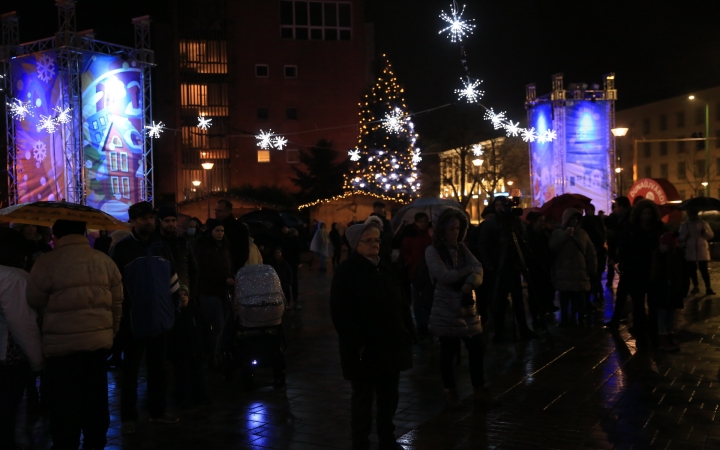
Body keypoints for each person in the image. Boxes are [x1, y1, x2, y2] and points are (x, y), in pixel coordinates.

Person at [27, 220, 123, 450]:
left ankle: (66, 443)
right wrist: (111, 332)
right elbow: (117, 302)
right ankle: (95, 442)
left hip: (61, 347)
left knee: (64, 404)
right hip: (97, 345)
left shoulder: (45, 262)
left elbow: (34, 300)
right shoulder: (104, 261)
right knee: (96, 401)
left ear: (56, 235)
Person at [331, 221, 414, 450]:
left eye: (377, 240)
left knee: (389, 395)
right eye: (368, 241)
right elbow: (341, 312)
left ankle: (387, 436)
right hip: (365, 348)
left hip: (390, 344)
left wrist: (407, 330)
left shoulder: (384, 268)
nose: (374, 244)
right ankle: (361, 441)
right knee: (363, 398)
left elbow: (400, 303)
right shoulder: (347, 272)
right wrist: (358, 343)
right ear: (356, 244)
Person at [111, 202, 183, 434]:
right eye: (143, 218)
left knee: (158, 369)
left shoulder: (162, 247)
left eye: (151, 218)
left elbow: (172, 278)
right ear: (132, 221)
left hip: (160, 318)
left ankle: (157, 411)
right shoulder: (122, 249)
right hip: (133, 321)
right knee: (130, 372)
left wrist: (177, 301)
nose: (148, 222)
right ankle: (129, 417)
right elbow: (113, 286)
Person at [425, 208, 498, 410]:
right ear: (442, 229)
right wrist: (467, 272)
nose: (455, 232)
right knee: (448, 351)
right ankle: (450, 391)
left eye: (458, 228)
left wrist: (470, 283)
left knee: (476, 348)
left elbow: (479, 268)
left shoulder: (461, 248)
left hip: (467, 306)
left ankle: (479, 388)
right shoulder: (433, 251)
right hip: (446, 307)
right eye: (451, 228)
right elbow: (444, 276)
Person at [157, 206, 207, 407]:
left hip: (184, 301)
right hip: (163, 302)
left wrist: (189, 294)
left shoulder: (182, 243)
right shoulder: (156, 244)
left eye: (172, 220)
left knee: (188, 349)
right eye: (166, 220)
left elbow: (191, 269)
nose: (170, 224)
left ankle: (188, 390)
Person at [0, 228, 43, 450]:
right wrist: (37, 360)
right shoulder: (15, 278)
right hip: (10, 355)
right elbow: (21, 323)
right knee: (10, 406)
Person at [479, 197, 535, 341]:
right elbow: (483, 245)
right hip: (497, 267)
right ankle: (499, 331)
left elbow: (523, 241)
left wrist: (519, 263)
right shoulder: (490, 224)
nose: (499, 207)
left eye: (501, 205)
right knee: (498, 300)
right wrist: (489, 266)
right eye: (496, 205)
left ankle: (523, 328)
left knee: (518, 300)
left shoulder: (515, 222)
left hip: (512, 266)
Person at [615, 200, 664, 345]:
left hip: (654, 270)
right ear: (639, 214)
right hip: (636, 271)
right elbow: (624, 247)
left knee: (654, 304)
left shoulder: (658, 228)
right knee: (638, 305)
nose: (646, 216)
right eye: (644, 213)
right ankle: (641, 334)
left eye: (649, 213)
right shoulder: (632, 229)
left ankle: (653, 334)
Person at [194, 218, 234, 365]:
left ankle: (218, 352)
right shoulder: (204, 248)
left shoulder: (224, 247)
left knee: (223, 323)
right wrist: (223, 279)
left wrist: (230, 276)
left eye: (222, 231)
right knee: (216, 324)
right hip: (209, 291)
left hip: (224, 290)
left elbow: (228, 266)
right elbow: (203, 270)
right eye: (217, 230)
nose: (220, 233)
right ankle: (213, 354)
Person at [549, 209, 597, 326]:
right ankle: (565, 319)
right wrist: (565, 236)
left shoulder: (582, 233)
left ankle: (580, 318)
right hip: (564, 271)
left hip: (579, 271)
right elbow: (552, 248)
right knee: (564, 298)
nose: (574, 221)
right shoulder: (558, 233)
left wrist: (592, 267)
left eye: (576, 219)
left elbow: (591, 252)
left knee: (580, 297)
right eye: (572, 218)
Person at [649, 232, 688, 352]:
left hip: (673, 290)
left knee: (671, 315)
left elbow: (684, 274)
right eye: (660, 244)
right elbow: (654, 276)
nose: (661, 246)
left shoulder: (676, 258)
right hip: (661, 291)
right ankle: (663, 339)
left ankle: (670, 336)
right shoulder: (657, 257)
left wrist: (682, 289)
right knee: (662, 315)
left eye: (664, 244)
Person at [400, 212, 433, 334]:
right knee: (418, 298)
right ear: (416, 222)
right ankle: (421, 323)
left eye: (425, 221)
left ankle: (429, 320)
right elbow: (405, 252)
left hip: (429, 270)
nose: (423, 224)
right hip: (415, 270)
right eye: (421, 221)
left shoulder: (430, 233)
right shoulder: (410, 234)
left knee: (429, 297)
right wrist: (413, 262)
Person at [605, 196, 632, 329]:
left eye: (616, 207)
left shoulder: (626, 221)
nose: (615, 210)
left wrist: (616, 257)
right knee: (626, 293)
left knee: (624, 293)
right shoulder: (626, 219)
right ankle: (618, 319)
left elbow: (623, 242)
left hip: (629, 262)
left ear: (621, 207)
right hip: (629, 262)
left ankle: (618, 319)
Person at [525, 212, 556, 316]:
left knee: (546, 289)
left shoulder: (545, 234)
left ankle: (544, 308)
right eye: (541, 221)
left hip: (545, 267)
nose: (543, 223)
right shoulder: (527, 235)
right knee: (534, 292)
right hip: (534, 268)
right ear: (534, 222)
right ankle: (535, 313)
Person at [679, 208, 715, 296]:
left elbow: (710, 236)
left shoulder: (703, 224)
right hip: (690, 248)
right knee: (692, 269)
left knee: (704, 269)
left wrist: (704, 232)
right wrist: (685, 236)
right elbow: (680, 237)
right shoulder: (684, 225)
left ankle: (708, 287)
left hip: (701, 248)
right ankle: (695, 286)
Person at [213, 199, 249, 273]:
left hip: (231, 270)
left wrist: (232, 270)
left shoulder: (238, 228)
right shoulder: (214, 226)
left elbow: (242, 253)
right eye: (215, 210)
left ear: (228, 211)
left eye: (219, 211)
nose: (216, 213)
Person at [582, 204, 607, 304]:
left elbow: (602, 234)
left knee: (597, 275)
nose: (589, 211)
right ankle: (595, 294)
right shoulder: (584, 221)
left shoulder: (597, 220)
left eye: (591, 209)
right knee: (592, 275)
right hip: (589, 250)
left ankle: (598, 294)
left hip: (598, 250)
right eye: (588, 209)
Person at [280, 226, 302, 309]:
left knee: (287, 281)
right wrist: (298, 262)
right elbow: (298, 252)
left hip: (287, 262)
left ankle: (288, 301)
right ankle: (295, 301)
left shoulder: (285, 240)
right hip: (293, 264)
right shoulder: (296, 240)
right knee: (294, 282)